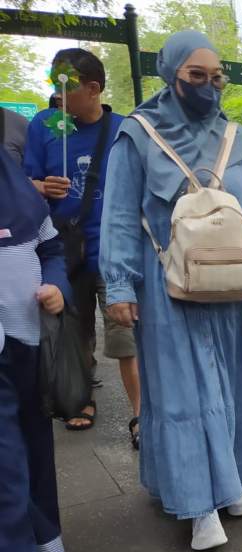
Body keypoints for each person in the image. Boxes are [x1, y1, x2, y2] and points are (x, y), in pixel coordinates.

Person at [100, 31, 242, 550]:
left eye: (216, 77)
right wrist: (119, 284)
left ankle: (230, 480)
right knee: (185, 390)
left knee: (235, 379)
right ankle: (198, 504)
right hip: (169, 285)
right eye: (196, 76)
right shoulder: (138, 134)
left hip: (237, 281)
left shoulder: (239, 137)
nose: (209, 86)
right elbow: (120, 216)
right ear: (171, 74)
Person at [22, 48, 140, 446]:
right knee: (76, 329)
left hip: (116, 251)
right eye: (53, 82)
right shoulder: (45, 126)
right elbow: (19, 184)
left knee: (126, 334)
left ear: (93, 89)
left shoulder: (125, 129)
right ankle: (83, 397)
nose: (58, 93)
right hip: (64, 249)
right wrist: (39, 187)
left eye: (66, 85)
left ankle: (142, 415)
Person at [0, 149, 70, 552]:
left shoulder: (18, 184)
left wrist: (56, 287)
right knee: (4, 461)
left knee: (33, 449)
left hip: (25, 344)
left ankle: (37, 544)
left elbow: (52, 251)